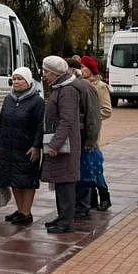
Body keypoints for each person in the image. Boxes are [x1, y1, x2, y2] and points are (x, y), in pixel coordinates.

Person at [0, 66, 44, 225]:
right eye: (14, 78)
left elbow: (40, 126)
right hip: (9, 147)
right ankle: (20, 210)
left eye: (19, 79)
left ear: (28, 81)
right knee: (13, 179)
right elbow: (1, 122)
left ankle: (26, 212)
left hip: (27, 148)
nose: (15, 82)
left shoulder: (37, 101)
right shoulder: (9, 98)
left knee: (27, 180)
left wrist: (37, 146)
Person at [39, 56, 81, 233]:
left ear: (53, 73)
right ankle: (62, 216)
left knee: (66, 182)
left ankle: (66, 221)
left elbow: (67, 121)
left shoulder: (67, 90)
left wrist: (55, 145)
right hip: (63, 143)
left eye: (45, 72)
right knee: (60, 180)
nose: (44, 75)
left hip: (66, 145)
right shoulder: (59, 88)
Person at [67, 59, 102, 219]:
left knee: (84, 171)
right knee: (74, 171)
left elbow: (93, 116)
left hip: (82, 137)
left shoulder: (85, 87)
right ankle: (76, 205)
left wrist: (90, 140)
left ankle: (82, 206)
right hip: (72, 137)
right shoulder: (67, 86)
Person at [80, 56, 113, 210]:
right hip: (80, 131)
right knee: (85, 165)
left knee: (94, 164)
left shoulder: (100, 86)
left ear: (91, 69)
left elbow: (107, 110)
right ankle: (91, 197)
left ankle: (104, 195)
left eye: (84, 66)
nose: (81, 69)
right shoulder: (80, 84)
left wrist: (91, 117)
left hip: (92, 131)